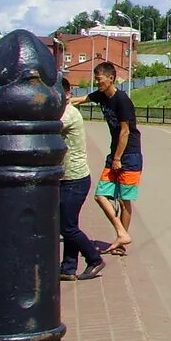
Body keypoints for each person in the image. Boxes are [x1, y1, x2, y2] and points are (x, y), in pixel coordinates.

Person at [70, 61, 142, 255]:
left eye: (99, 79)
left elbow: (125, 132)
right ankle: (121, 232)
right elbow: (80, 99)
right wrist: (61, 102)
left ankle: (122, 240)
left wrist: (118, 158)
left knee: (124, 199)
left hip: (130, 155)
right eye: (96, 79)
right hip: (115, 154)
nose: (97, 82)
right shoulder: (101, 96)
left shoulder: (122, 100)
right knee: (101, 195)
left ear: (111, 78)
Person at [59, 78, 105, 281]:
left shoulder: (67, 114)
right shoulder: (62, 111)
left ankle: (94, 259)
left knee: (66, 227)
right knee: (68, 223)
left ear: (67, 94)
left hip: (74, 179)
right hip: (67, 178)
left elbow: (45, 127)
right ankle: (68, 268)